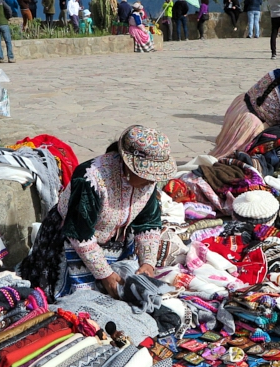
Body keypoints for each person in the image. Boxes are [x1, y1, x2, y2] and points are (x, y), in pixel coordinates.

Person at [21, 125, 176, 298]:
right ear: (128, 165)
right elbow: (80, 234)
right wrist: (105, 275)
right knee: (71, 298)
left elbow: (149, 223)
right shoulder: (91, 177)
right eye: (147, 175)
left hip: (112, 242)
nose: (151, 181)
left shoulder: (147, 182)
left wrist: (148, 263)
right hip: (70, 241)